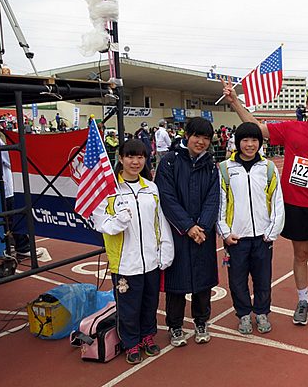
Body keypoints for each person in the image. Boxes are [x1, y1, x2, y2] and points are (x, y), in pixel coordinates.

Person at [222, 79, 308, 326]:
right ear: (307, 104)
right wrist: (235, 101)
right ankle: (302, 301)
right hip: (295, 203)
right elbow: (255, 128)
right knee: (300, 254)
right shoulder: (291, 128)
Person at [93, 139, 174, 365]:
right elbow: (101, 224)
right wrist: (118, 221)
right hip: (125, 263)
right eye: (130, 156)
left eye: (140, 157)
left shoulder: (151, 188)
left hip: (150, 260)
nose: (135, 161)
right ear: (120, 159)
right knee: (129, 307)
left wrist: (165, 251)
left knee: (149, 302)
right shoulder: (110, 191)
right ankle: (131, 343)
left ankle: (147, 336)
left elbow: (161, 222)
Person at [154, 117, 220, 347]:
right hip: (177, 232)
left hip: (203, 231)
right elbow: (167, 198)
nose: (201, 142)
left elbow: (214, 198)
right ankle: (175, 326)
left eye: (206, 138)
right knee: (176, 282)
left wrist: (203, 226)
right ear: (186, 135)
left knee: (203, 280)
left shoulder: (211, 165)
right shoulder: (169, 162)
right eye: (197, 136)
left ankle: (201, 321)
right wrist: (187, 226)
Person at [216, 123, 284, 335]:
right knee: (237, 280)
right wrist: (225, 233)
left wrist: (272, 231)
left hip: (262, 237)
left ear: (260, 143)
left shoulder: (269, 168)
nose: (250, 144)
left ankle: (262, 312)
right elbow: (220, 202)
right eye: (245, 140)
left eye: (254, 140)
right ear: (238, 143)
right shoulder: (226, 168)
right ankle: (244, 314)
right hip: (236, 237)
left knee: (263, 279)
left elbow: (277, 200)